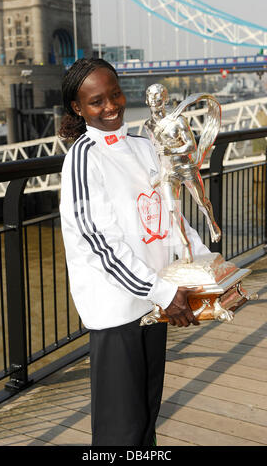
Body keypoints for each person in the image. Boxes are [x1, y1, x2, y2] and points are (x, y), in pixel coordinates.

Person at [59, 58, 209, 446]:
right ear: (78, 108)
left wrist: (206, 263)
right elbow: (100, 241)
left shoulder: (144, 146)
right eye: (96, 101)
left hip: (155, 302)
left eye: (115, 94)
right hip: (117, 310)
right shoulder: (83, 158)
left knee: (145, 417)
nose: (110, 106)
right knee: (119, 433)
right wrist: (162, 292)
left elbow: (170, 214)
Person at [144, 83, 221, 264]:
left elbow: (191, 146)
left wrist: (170, 151)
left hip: (185, 168)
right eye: (151, 96)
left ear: (165, 100)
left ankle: (212, 222)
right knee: (171, 209)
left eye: (159, 96)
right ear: (146, 100)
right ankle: (185, 245)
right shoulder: (148, 125)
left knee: (201, 201)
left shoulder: (178, 120)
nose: (155, 100)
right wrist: (158, 172)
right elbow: (156, 149)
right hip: (168, 172)